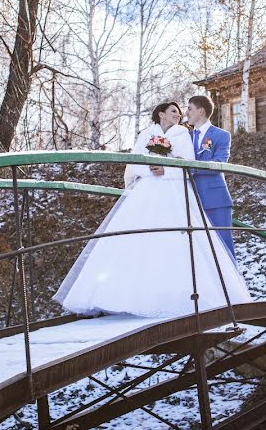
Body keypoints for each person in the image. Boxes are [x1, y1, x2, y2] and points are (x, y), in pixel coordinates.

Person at [52, 101, 251, 318]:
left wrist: (166, 170)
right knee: (134, 239)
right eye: (174, 111)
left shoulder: (183, 134)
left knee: (178, 241)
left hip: (173, 189)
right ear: (161, 114)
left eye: (181, 112)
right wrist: (150, 170)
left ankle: (180, 298)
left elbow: (188, 164)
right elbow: (134, 162)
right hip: (146, 191)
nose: (179, 115)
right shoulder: (146, 133)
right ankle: (119, 297)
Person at [185, 95, 236, 262]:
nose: (187, 113)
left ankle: (231, 287)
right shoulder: (185, 137)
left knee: (223, 247)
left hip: (215, 200)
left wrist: (191, 167)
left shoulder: (222, 135)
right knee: (197, 251)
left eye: (190, 109)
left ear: (201, 111)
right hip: (190, 200)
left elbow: (219, 162)